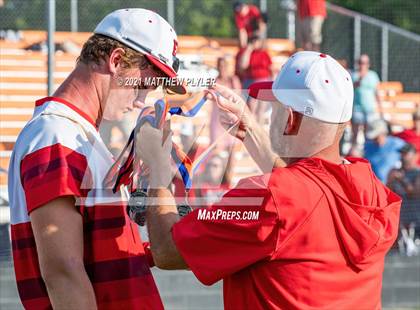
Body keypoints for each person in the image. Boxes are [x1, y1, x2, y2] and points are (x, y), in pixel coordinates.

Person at [136, 51, 401, 309]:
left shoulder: (272, 197)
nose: (268, 115)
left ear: (290, 120)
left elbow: (168, 250)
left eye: (274, 108)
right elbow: (309, 193)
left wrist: (159, 169)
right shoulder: (373, 189)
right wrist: (250, 131)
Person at [8, 8, 185, 309]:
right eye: (145, 83)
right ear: (116, 61)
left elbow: (92, 259)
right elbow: (63, 271)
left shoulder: (73, 134)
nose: (144, 99)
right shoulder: (56, 133)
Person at [350, 54, 383, 154]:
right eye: (360, 62)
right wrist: (359, 80)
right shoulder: (354, 75)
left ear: (368, 64)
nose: (362, 65)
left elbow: (376, 92)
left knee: (368, 133)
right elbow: (351, 89)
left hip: (369, 109)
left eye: (364, 63)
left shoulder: (373, 75)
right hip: (357, 108)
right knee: (355, 132)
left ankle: (366, 152)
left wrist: (380, 107)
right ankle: (353, 152)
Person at [237, 36, 273, 122]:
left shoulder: (264, 54)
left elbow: (270, 68)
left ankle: (259, 127)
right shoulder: (248, 53)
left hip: (263, 82)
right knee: (252, 106)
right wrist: (249, 50)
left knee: (261, 108)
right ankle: (252, 127)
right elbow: (243, 65)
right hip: (251, 82)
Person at [210, 57, 241, 149]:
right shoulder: (214, 81)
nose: (222, 68)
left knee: (232, 149)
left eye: (224, 66)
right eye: (220, 66)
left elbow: (238, 97)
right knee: (217, 149)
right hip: (217, 117)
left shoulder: (234, 80)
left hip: (231, 117)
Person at [364, 119, 406, 183]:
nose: (375, 140)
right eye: (374, 138)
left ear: (384, 133)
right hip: (375, 185)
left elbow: (409, 159)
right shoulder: (368, 146)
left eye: (377, 137)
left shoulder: (398, 144)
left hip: (393, 186)